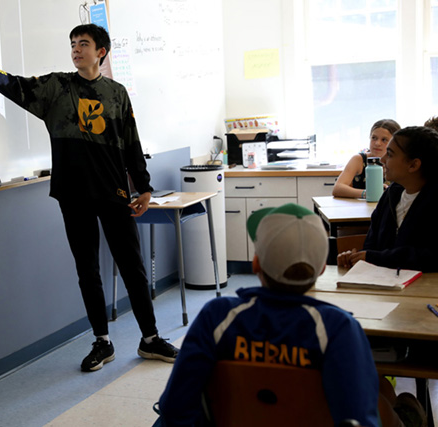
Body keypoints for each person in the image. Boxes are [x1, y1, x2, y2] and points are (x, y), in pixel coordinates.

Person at [0, 24, 178, 372]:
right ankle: (102, 342)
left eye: (83, 44)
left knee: (132, 266)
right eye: (73, 44)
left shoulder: (116, 93)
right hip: (74, 194)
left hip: (113, 192)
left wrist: (143, 187)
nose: (76, 49)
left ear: (101, 52)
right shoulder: (57, 87)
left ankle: (150, 339)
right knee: (87, 270)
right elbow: (15, 85)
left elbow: (131, 142)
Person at [157, 203, 425, 427]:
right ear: (322, 269)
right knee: (391, 397)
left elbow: (175, 406)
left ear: (256, 263)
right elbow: (358, 418)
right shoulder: (338, 327)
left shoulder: (216, 316)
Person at [337, 126, 438, 271]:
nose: (382, 159)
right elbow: (371, 246)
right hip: (383, 281)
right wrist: (356, 257)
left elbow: (430, 257)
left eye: (390, 154)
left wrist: (373, 257)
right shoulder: (391, 194)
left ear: (413, 165)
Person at [332, 119, 401, 199]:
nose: (377, 143)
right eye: (374, 138)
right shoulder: (358, 160)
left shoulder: (400, 162)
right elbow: (337, 188)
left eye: (384, 140)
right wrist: (368, 193)